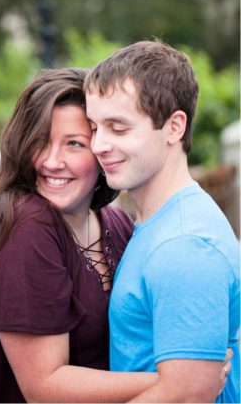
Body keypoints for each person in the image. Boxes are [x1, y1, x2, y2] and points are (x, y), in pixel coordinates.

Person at [0, 68, 161, 402]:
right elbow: (45, 388)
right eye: (41, 141)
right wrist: (179, 381)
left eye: (74, 144)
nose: (52, 161)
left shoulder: (118, 225)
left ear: (101, 149)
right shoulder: (22, 225)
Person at [84, 40, 240, 403]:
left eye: (118, 128)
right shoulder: (160, 223)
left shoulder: (185, 245)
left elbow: (187, 398)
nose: (99, 145)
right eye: (94, 127)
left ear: (174, 127)